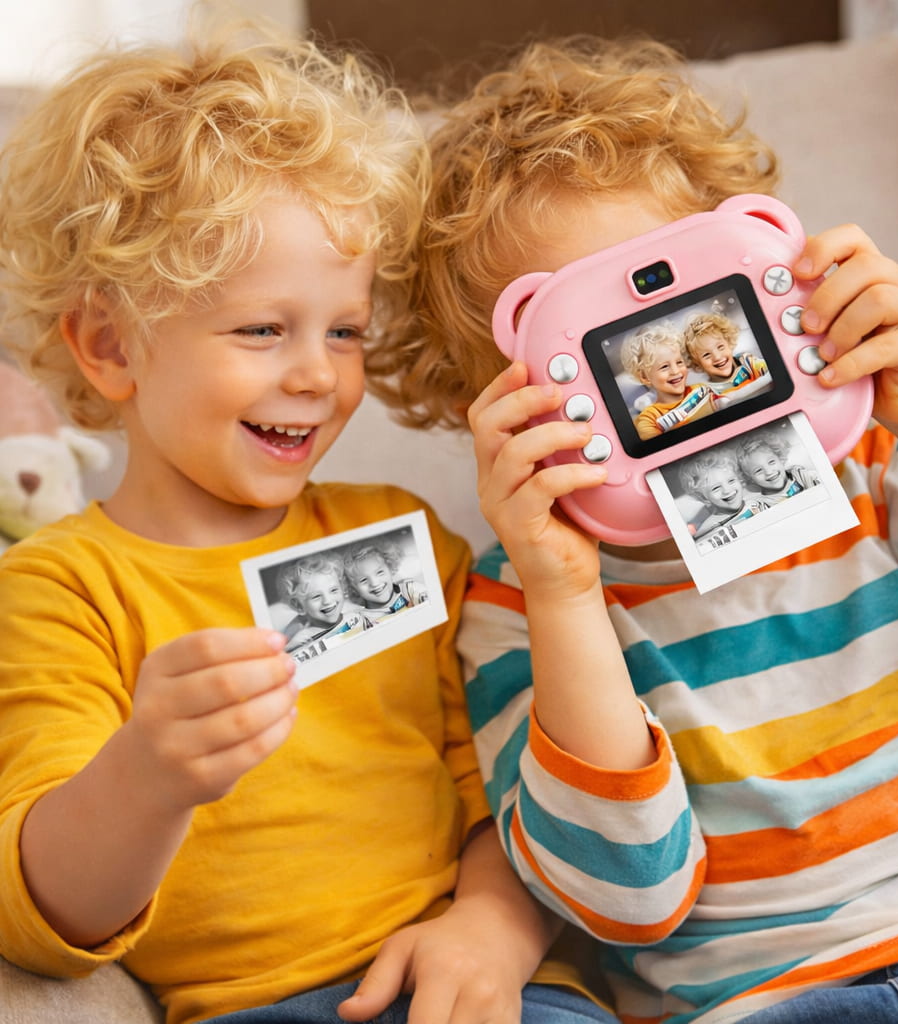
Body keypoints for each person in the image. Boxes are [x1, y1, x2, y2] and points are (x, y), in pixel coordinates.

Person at [367, 35, 898, 1024]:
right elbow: (624, 897)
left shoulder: (874, 475)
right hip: (763, 1002)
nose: (664, 382)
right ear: (488, 391)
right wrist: (566, 595)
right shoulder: (514, 608)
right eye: (601, 358)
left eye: (686, 314)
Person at [0, 22, 619, 1024]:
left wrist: (492, 932)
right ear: (111, 345)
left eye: (345, 332)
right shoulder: (60, 584)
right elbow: (43, 914)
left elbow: (503, 782)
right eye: (261, 329)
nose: (316, 374)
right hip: (260, 1008)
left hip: (486, 988)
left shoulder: (404, 536)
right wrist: (148, 775)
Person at [620, 324, 712, 440]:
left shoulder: (700, 390)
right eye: (664, 367)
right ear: (644, 377)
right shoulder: (649, 419)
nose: (675, 371)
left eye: (679, 362)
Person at [276, 553, 373, 652]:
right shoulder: (302, 636)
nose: (327, 601)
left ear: (342, 588)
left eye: (333, 590)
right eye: (316, 596)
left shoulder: (355, 613)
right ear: (298, 606)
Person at [678, 449, 768, 539]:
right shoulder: (709, 530)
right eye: (716, 488)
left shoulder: (757, 498)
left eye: (731, 480)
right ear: (703, 498)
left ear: (739, 479)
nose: (727, 490)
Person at [681, 311, 769, 395]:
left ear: (728, 342)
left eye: (720, 347)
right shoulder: (707, 393)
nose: (717, 357)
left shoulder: (749, 363)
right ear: (697, 364)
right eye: (706, 355)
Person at [342, 541, 429, 619]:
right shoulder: (361, 620)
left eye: (380, 572)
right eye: (363, 580)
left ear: (390, 568)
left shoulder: (411, 590)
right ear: (352, 588)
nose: (375, 583)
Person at [735, 429, 821, 505]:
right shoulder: (761, 504)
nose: (769, 472)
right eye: (758, 470)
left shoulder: (799, 474)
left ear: (780, 459)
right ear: (750, 478)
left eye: (771, 462)